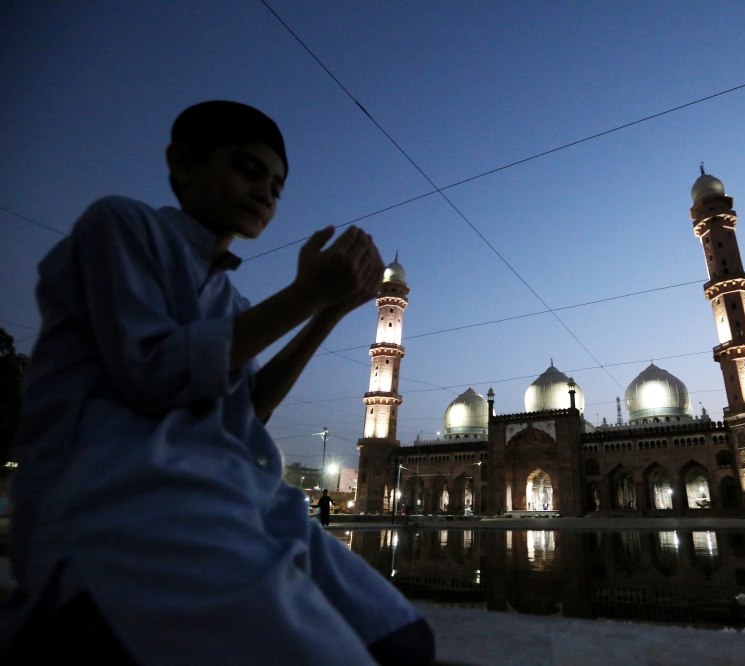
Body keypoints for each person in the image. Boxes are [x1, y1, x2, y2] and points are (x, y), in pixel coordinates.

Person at [0, 101, 434, 665]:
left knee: (402, 638)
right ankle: (72, 619)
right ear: (182, 163)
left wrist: (325, 313)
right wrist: (306, 296)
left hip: (228, 502)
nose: (264, 195)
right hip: (125, 510)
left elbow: (249, 413)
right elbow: (153, 373)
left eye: (276, 187)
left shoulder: (229, 301)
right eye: (248, 170)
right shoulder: (121, 228)